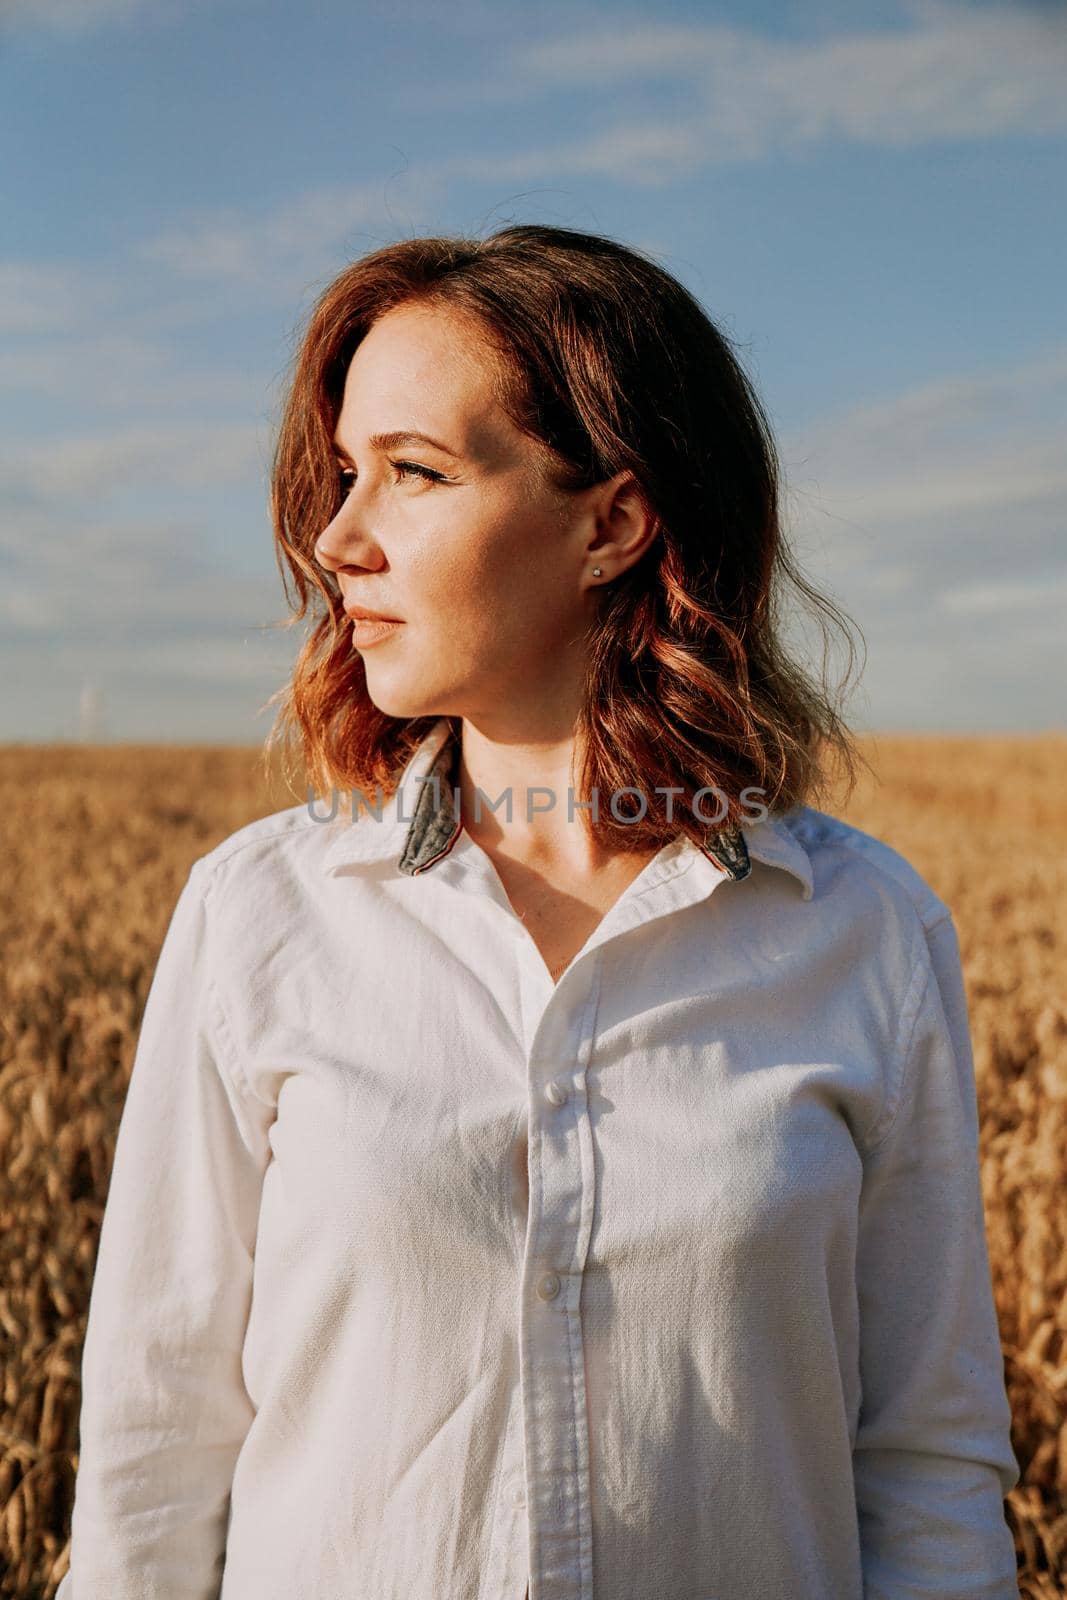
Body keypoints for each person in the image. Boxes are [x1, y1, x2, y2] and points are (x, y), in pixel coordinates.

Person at [57, 223, 1020, 1599]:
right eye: (343, 475)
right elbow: (154, 1455)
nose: (340, 540)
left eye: (414, 474)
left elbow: (925, 1469)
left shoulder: (865, 933)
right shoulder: (258, 920)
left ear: (613, 522)